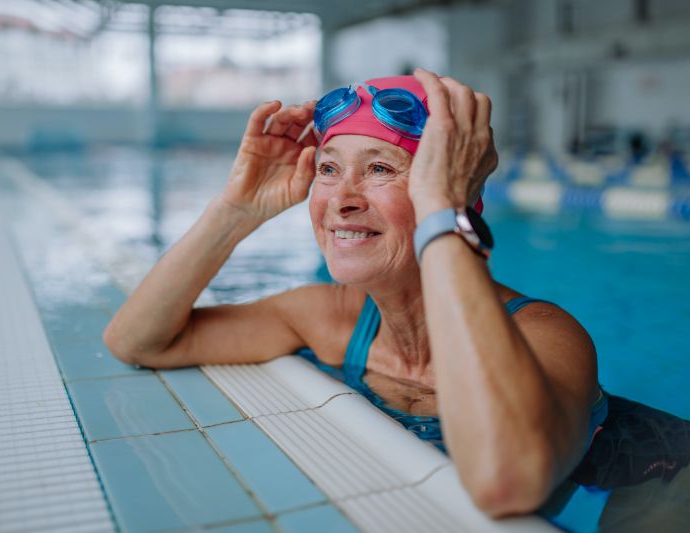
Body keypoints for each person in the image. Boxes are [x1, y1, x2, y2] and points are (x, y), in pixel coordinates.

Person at [103, 69, 607, 517]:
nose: (341, 201)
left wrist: (441, 210)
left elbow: (507, 483)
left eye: (381, 169)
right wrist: (238, 209)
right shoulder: (331, 318)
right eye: (329, 169)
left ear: (455, 197)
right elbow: (140, 341)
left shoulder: (544, 335)